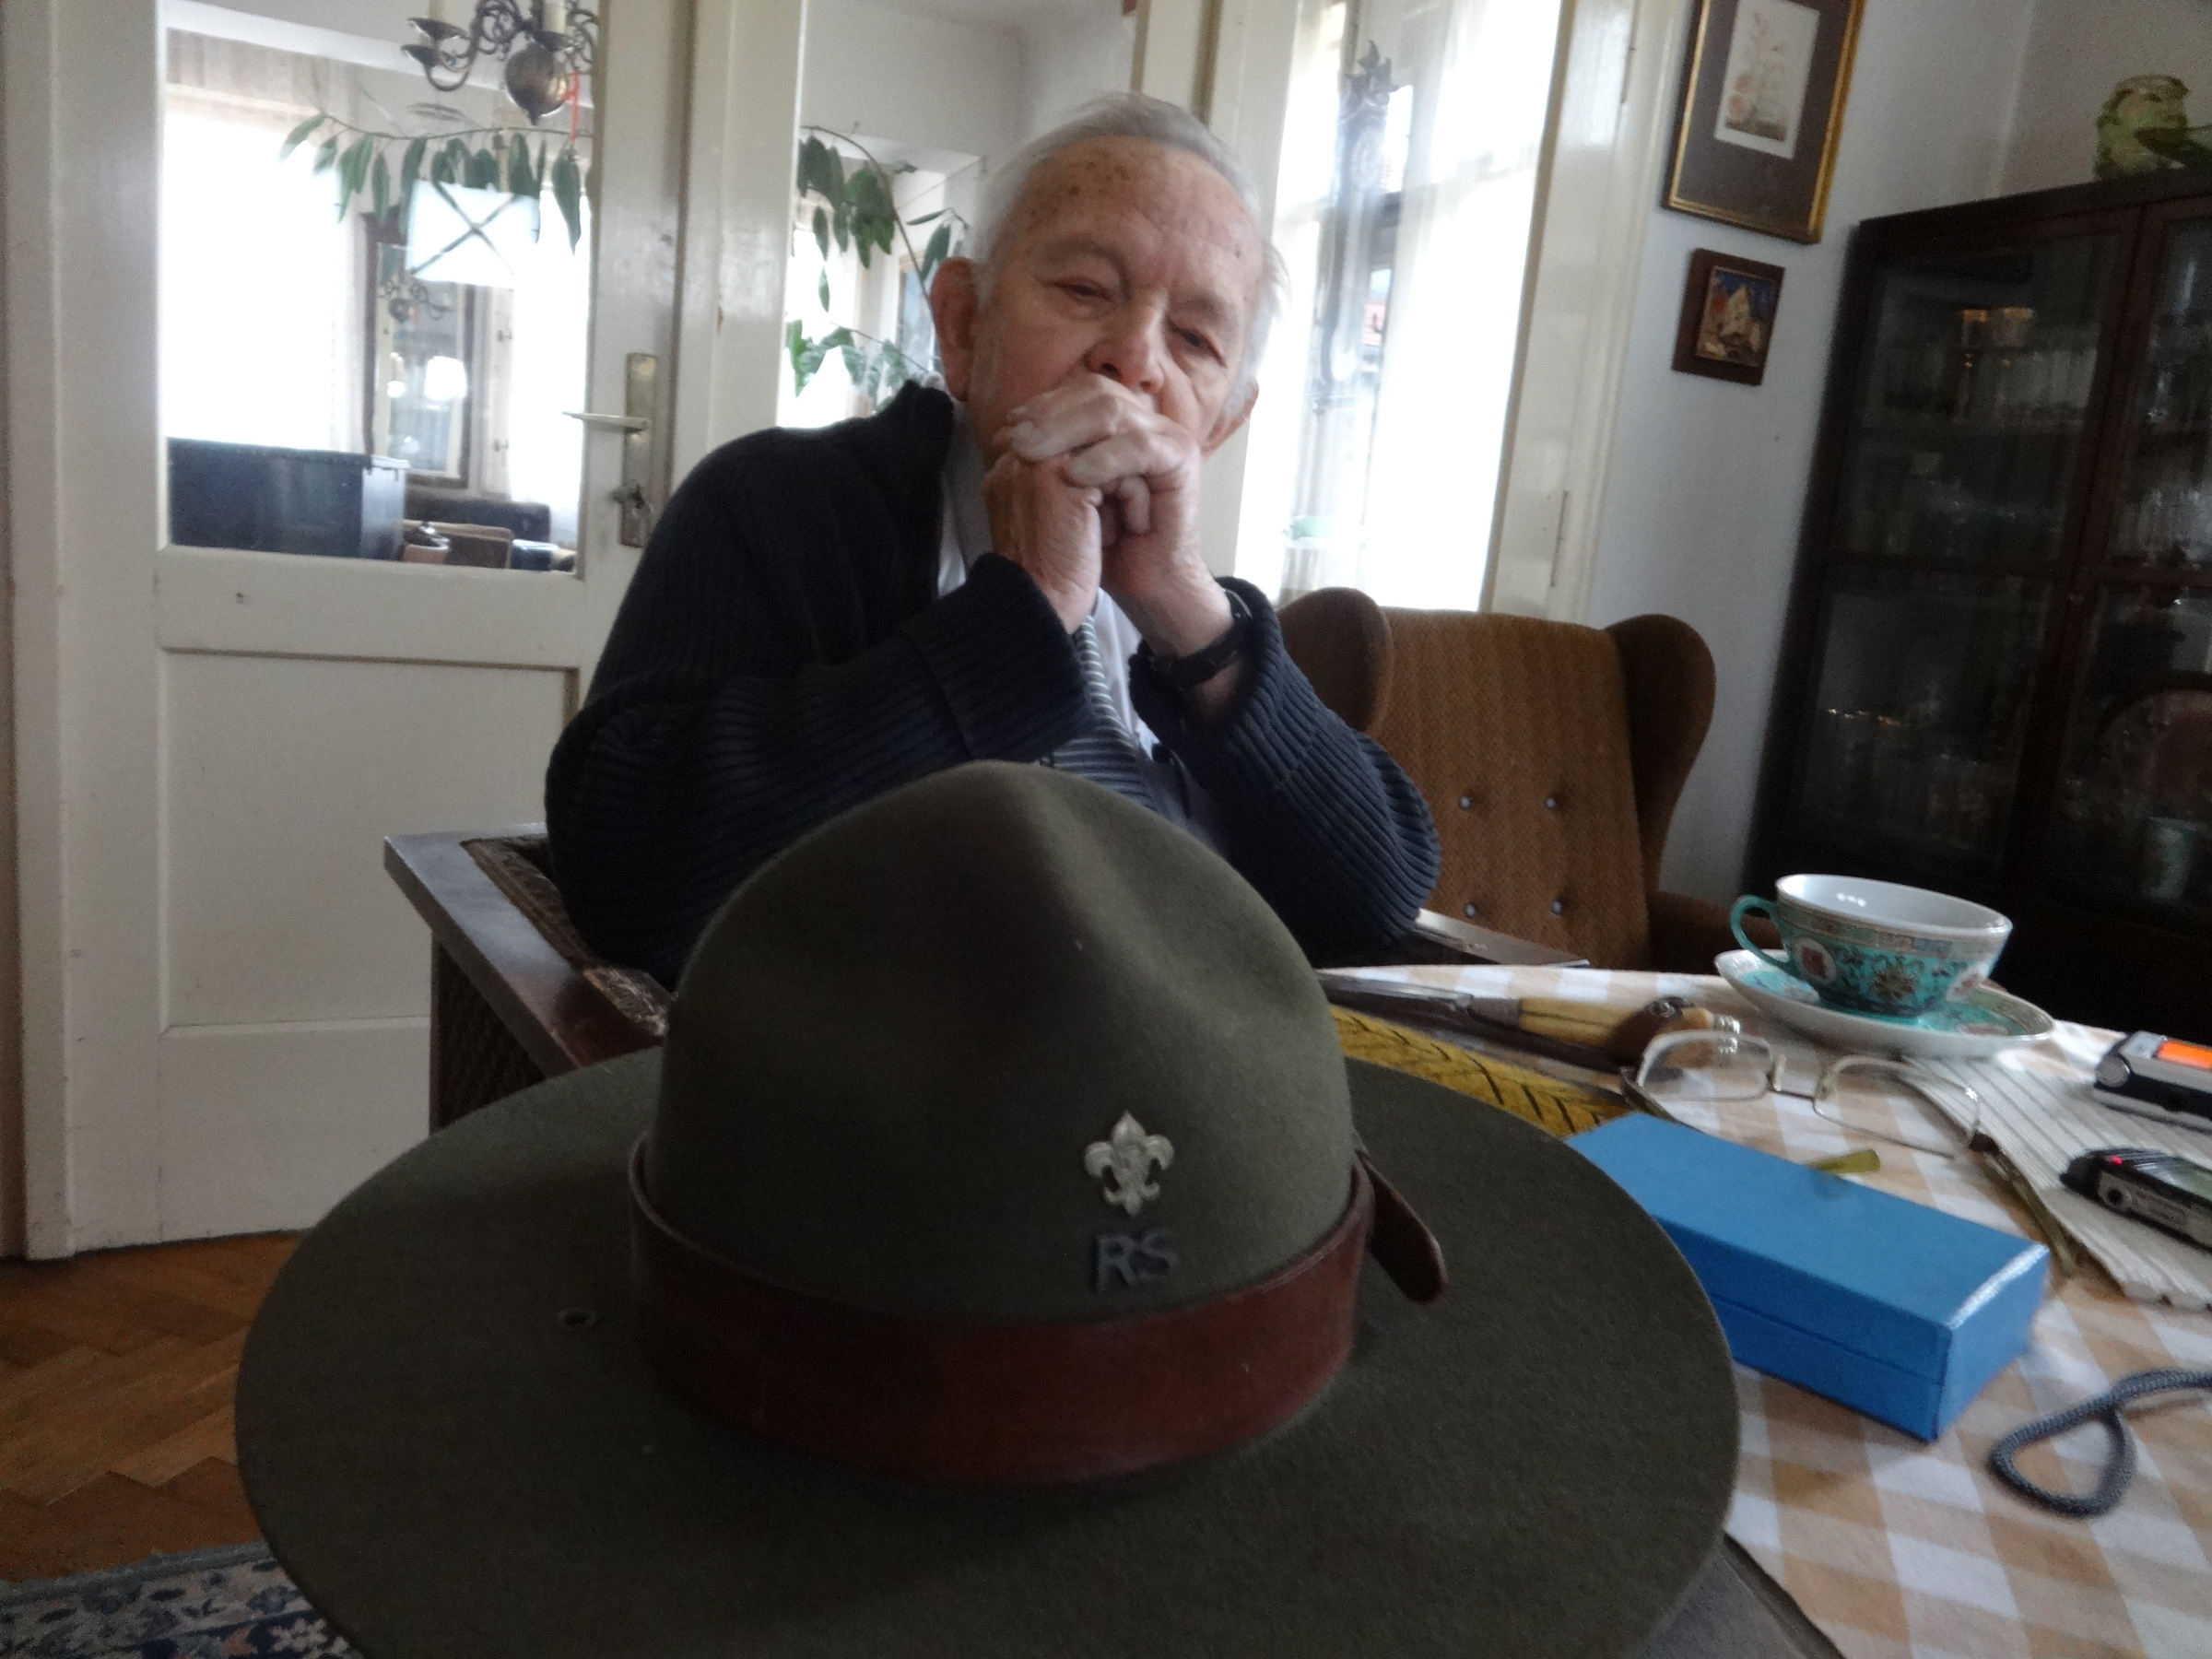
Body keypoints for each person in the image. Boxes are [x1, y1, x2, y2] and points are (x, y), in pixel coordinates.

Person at [547, 95, 1439, 988]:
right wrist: (1027, 611)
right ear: (963, 326)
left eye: (1195, 338)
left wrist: (1189, 614)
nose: (1135, 359)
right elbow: (626, 876)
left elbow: (1379, 904)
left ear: (1221, 427)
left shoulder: (1197, 621)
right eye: (1085, 290)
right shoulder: (776, 504)